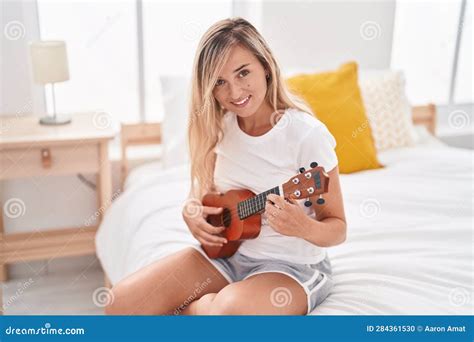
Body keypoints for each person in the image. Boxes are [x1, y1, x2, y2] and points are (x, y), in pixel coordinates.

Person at [105, 17, 346, 316]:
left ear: (266, 67)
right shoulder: (220, 127)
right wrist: (191, 210)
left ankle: (197, 311)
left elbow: (338, 229)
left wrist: (304, 226)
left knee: (228, 312)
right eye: (219, 82)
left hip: (290, 268)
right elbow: (204, 194)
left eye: (243, 73)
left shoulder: (307, 135)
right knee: (121, 303)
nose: (234, 92)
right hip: (225, 257)